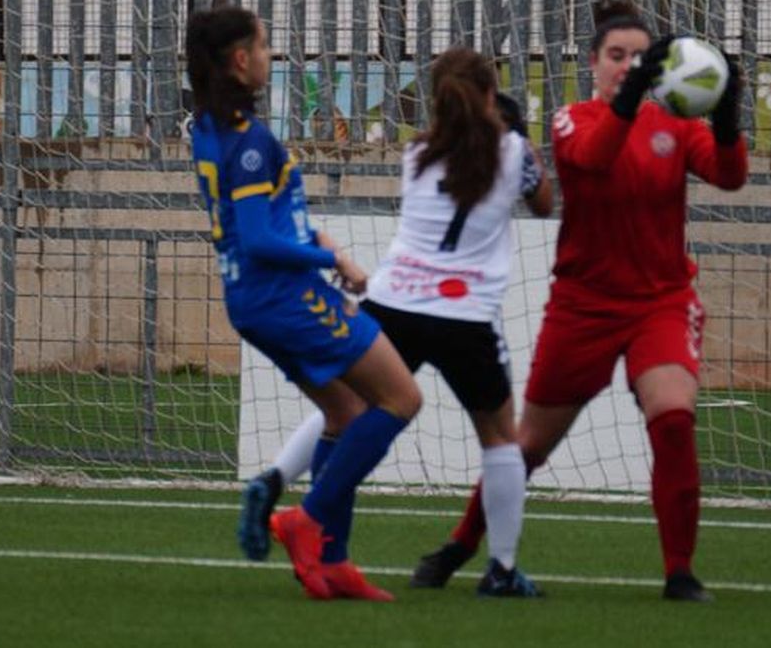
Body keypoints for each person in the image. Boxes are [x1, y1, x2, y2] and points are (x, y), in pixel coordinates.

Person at [407, 0, 747, 603]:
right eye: (617, 57)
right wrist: (630, 98)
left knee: (673, 419)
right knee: (527, 446)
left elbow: (730, 176)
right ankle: (461, 546)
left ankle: (680, 573)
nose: (629, 66)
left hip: (661, 302)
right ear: (594, 63)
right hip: (583, 307)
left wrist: (726, 115)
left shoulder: (677, 124)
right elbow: (593, 160)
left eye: (641, 58)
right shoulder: (572, 120)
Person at [238, 48, 555, 598]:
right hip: (465, 314)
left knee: (348, 406)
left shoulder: (418, 154)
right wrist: (518, 138)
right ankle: (501, 569)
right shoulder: (512, 152)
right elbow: (545, 205)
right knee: (501, 438)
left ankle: (276, 478)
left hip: (395, 302)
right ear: (487, 96)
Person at [187, 4, 422, 601]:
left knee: (343, 413)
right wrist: (332, 259)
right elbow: (261, 238)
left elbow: (262, 225)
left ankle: (333, 562)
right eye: (263, 46)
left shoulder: (210, 128)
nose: (271, 56)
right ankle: (307, 519)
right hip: (286, 296)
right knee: (400, 398)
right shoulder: (248, 142)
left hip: (255, 300)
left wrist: (309, 237)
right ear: (240, 60)